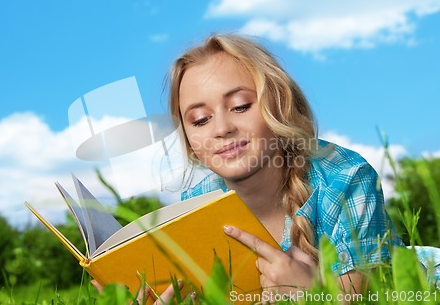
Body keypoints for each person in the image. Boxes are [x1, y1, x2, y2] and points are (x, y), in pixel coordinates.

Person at [167, 33, 403, 298]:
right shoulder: (196, 203)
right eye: (200, 120)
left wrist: (311, 294)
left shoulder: (346, 179)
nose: (222, 129)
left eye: (240, 106)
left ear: (279, 103)